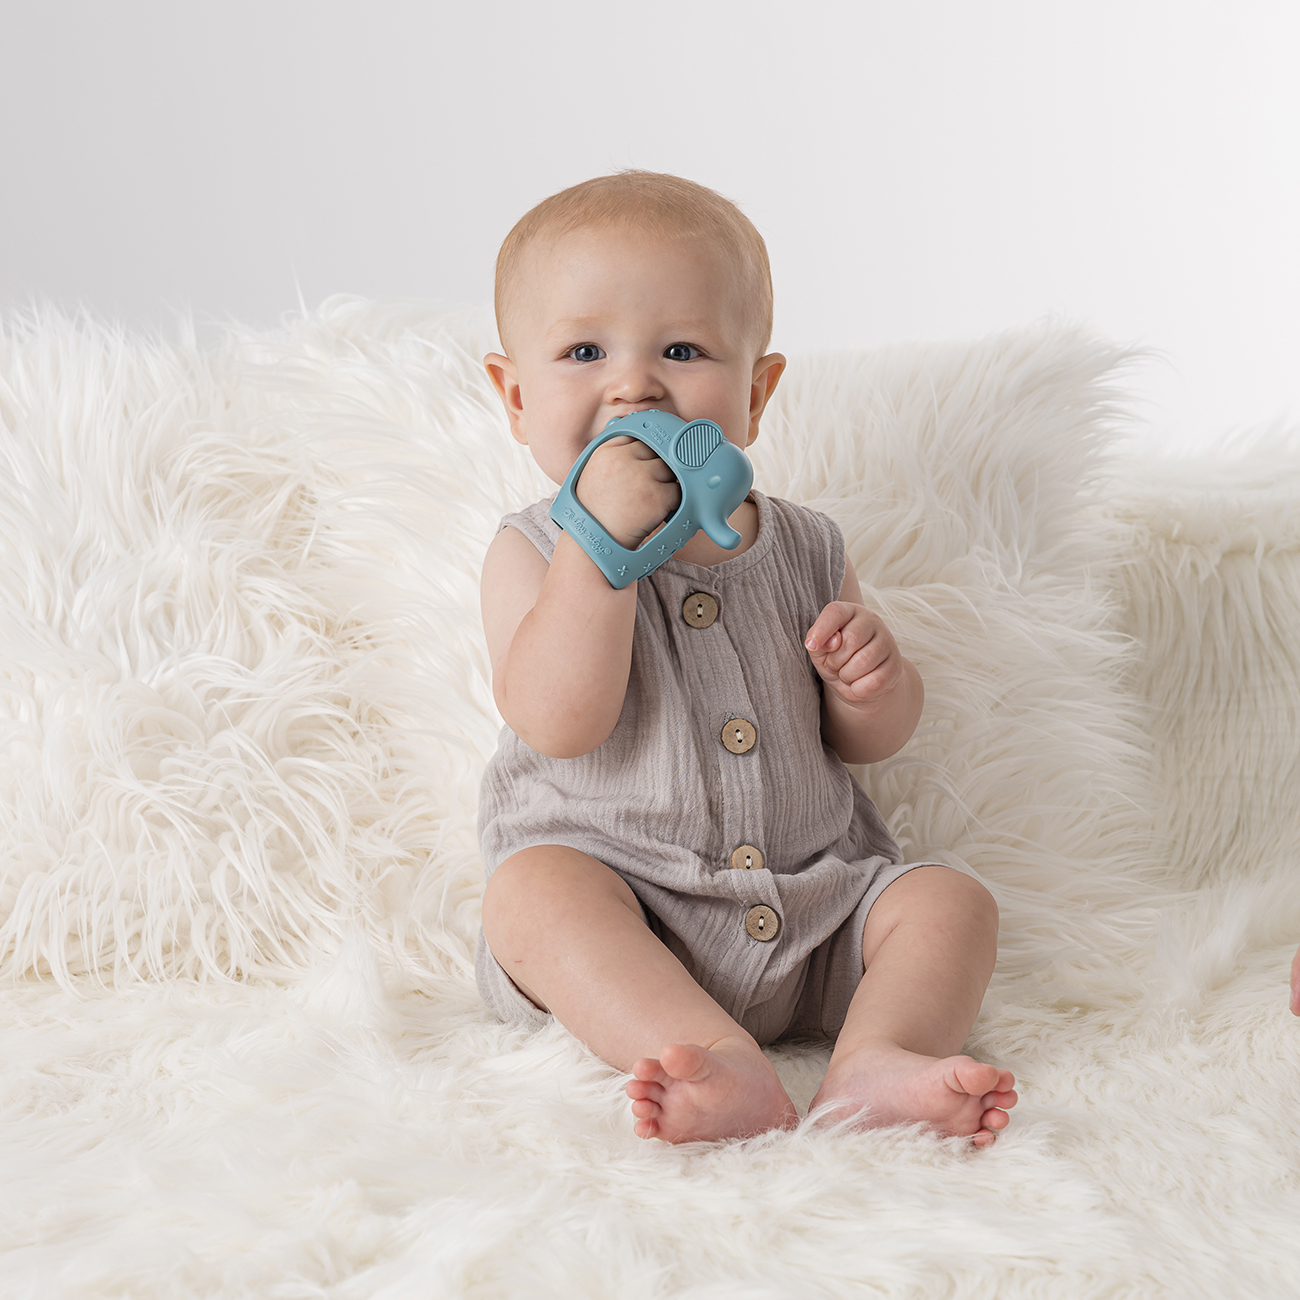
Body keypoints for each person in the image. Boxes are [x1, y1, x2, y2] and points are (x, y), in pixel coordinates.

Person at [474, 170, 1017, 1145]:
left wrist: (871, 681)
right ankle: (712, 1056)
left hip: (817, 905)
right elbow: (559, 720)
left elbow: (867, 742)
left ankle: (875, 1058)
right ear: (516, 395)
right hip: (630, 911)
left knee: (949, 900)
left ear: (755, 392)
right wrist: (598, 554)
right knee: (531, 893)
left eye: (681, 350)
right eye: (583, 350)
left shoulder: (806, 545)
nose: (633, 384)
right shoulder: (535, 552)